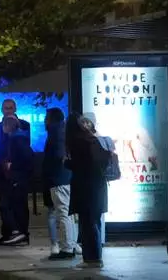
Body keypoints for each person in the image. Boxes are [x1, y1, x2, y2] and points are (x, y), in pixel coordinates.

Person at [66, 114, 110, 270]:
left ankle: (92, 259)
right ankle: (95, 257)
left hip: (86, 187)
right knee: (94, 222)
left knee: (87, 223)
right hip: (98, 186)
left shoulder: (79, 142)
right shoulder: (95, 140)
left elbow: (80, 165)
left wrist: (66, 163)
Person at [0, 99, 31, 242]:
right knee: (4, 202)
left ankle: (22, 232)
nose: (8, 110)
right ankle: (9, 232)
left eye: (11, 108)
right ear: (2, 110)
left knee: (19, 203)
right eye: (6, 108)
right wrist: (5, 134)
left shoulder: (24, 126)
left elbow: (26, 148)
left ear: (15, 109)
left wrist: (14, 130)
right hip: (2, 171)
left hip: (18, 172)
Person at [42, 109, 76, 260]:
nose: (44, 120)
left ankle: (67, 248)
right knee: (68, 213)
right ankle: (71, 245)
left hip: (58, 178)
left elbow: (57, 155)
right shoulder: (64, 131)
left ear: (51, 119)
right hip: (65, 177)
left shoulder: (55, 133)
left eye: (46, 118)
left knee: (63, 213)